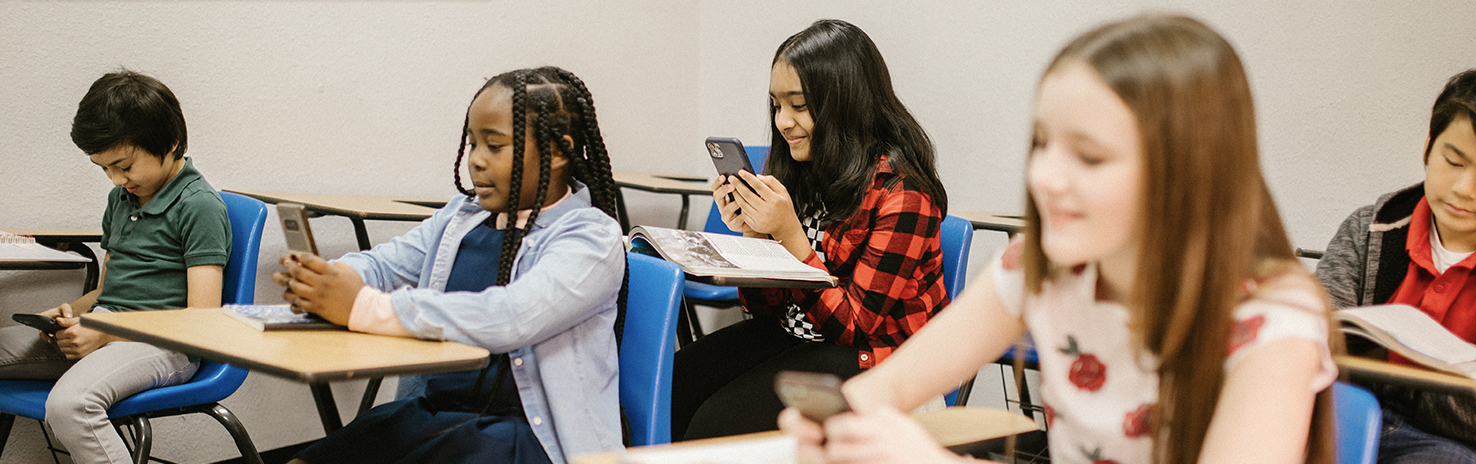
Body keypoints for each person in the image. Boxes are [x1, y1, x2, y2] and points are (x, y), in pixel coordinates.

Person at [780, 15, 1341, 464]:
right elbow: (891, 384)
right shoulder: (1040, 270)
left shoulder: (1273, 326)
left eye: (1089, 155)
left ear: (1190, 170)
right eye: (1042, 143)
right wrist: (834, 422)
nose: (1043, 176)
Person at [274, 66, 626, 464]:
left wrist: (361, 306)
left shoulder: (591, 238)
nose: (475, 160)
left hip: (527, 436)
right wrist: (330, 279)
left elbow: (509, 316)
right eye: (472, 143)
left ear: (559, 151)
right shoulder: (463, 217)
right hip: (436, 415)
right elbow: (386, 265)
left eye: (494, 146)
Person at [672, 18, 950, 440]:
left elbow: (854, 329)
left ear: (846, 102)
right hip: (798, 334)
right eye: (776, 105)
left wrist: (790, 238)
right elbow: (764, 309)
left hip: (874, 358)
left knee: (713, 424)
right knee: (676, 387)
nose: (783, 123)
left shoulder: (904, 194)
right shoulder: (801, 171)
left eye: (798, 106)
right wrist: (755, 237)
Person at [0, 70, 231, 464]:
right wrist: (75, 312)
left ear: (171, 142)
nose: (116, 179)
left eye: (124, 166)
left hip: (168, 345)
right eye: (104, 168)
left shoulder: (200, 206)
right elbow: (108, 292)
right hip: (108, 326)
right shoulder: (121, 200)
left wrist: (105, 334)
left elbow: (202, 322)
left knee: (70, 406)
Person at [1316, 64, 1476, 464]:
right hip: (1346, 413)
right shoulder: (1371, 229)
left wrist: (1394, 377)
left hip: (1453, 447)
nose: (1464, 189)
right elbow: (1315, 344)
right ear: (1428, 147)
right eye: (1453, 161)